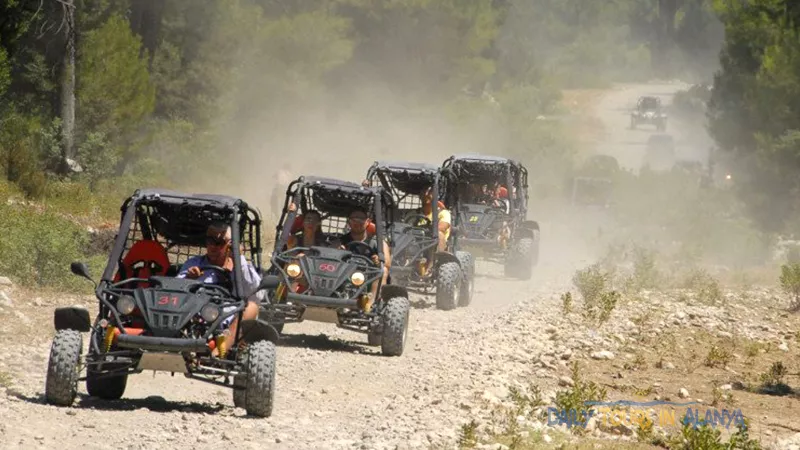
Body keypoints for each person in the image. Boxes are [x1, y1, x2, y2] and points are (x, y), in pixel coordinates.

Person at [177, 222, 263, 356]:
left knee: (252, 307)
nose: (212, 246)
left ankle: (220, 351)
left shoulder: (240, 267)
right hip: (195, 313)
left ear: (229, 245)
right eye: (209, 241)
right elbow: (175, 289)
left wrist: (238, 259)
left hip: (226, 316)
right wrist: (189, 279)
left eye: (218, 242)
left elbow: (256, 294)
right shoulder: (194, 264)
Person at [339, 207, 391, 303]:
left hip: (368, 278)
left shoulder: (378, 242)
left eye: (361, 219)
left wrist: (379, 260)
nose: (357, 222)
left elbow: (387, 263)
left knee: (383, 270)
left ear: (368, 222)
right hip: (344, 275)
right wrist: (338, 251)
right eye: (354, 219)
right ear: (349, 222)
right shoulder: (341, 241)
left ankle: (371, 305)